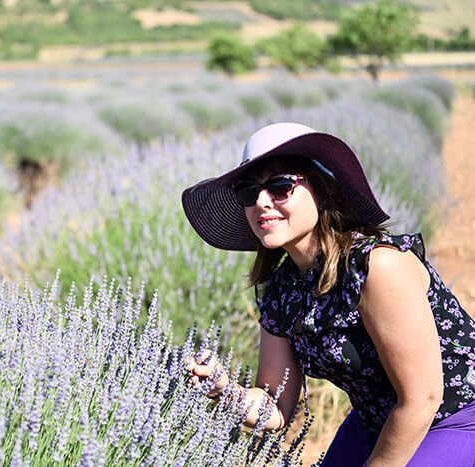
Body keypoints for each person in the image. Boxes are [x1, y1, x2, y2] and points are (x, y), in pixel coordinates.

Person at [180, 122, 475, 466]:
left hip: (456, 418)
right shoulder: (281, 291)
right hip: (375, 421)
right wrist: (223, 388)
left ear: (322, 190)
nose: (261, 202)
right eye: (248, 191)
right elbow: (275, 407)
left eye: (280, 186)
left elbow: (423, 397)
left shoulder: (377, 267)